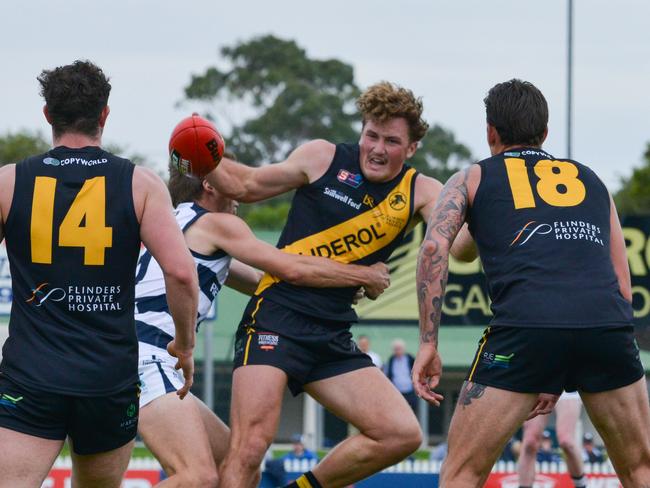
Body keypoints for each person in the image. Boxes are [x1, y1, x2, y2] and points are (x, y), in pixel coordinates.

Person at [196, 81, 472, 488]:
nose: (377, 149)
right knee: (250, 447)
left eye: (391, 141)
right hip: (277, 318)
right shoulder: (322, 156)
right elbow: (246, 185)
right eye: (371, 135)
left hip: (331, 333)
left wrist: (487, 211)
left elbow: (459, 249)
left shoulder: (422, 191)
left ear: (412, 148)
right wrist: (198, 152)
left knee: (401, 433)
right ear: (361, 130)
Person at [413, 78, 650, 487]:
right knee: (639, 469)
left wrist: (429, 345)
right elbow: (622, 287)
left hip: (525, 330)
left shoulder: (472, 177)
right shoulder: (592, 181)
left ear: (490, 132)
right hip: (606, 327)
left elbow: (436, 250)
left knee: (462, 473)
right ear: (545, 133)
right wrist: (567, 359)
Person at [0, 60, 198, 488]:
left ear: (48, 114)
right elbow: (182, 274)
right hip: (107, 379)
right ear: (104, 114)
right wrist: (184, 344)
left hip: (31, 374)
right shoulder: (141, 184)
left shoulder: (9, 182)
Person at [136, 164, 390, 487]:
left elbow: (263, 282)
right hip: (147, 355)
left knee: (239, 464)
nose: (239, 191)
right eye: (229, 177)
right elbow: (288, 268)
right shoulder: (217, 224)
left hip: (140, 355)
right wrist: (362, 275)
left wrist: (335, 284)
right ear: (210, 185)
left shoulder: (174, 220)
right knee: (198, 477)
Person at [518, 392, 587, 488]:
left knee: (566, 441)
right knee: (530, 441)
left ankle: (581, 485)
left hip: (566, 386)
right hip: (539, 384)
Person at [385, 339, 417, 412]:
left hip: (409, 391)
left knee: (411, 411)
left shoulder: (410, 358)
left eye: (399, 349)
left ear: (404, 349)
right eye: (396, 349)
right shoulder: (391, 360)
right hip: (397, 391)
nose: (398, 351)